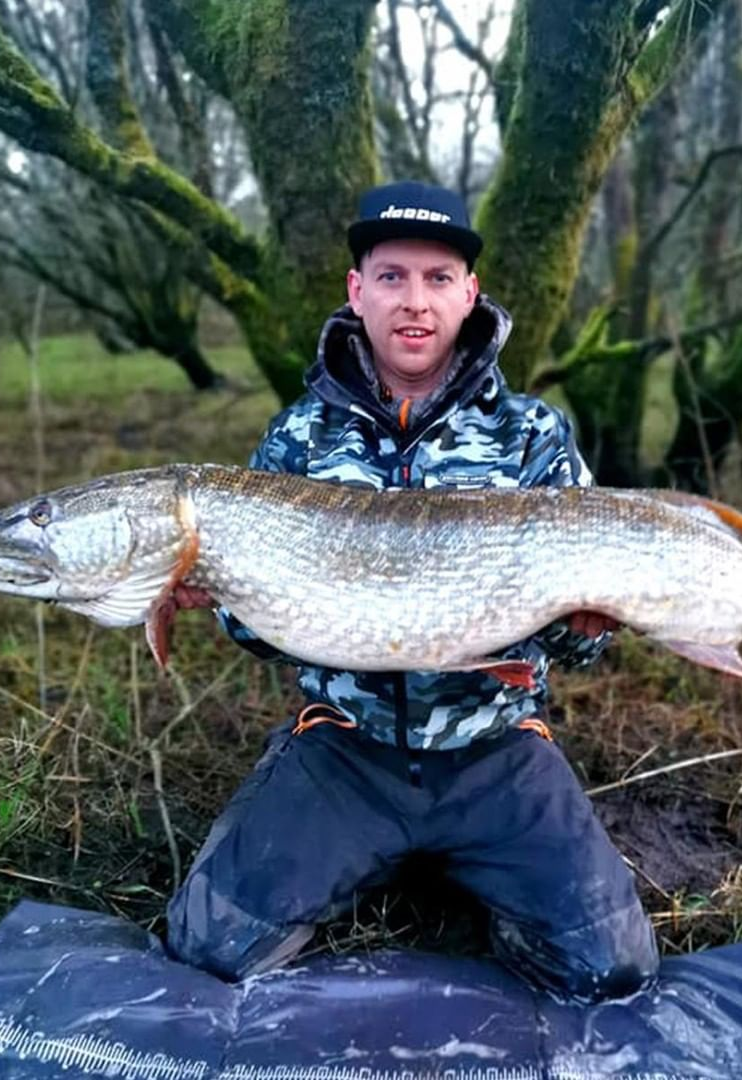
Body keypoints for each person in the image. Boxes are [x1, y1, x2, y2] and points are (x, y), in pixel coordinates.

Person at [166, 181, 659, 1000]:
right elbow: (262, 633)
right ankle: (382, 847)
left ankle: (467, 864)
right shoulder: (298, 437)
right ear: (357, 292)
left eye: (438, 279)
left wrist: (585, 620)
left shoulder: (532, 436)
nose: (415, 302)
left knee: (614, 969)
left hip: (496, 747)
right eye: (392, 277)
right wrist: (222, 592)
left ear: (470, 294)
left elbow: (588, 646)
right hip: (345, 746)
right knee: (207, 946)